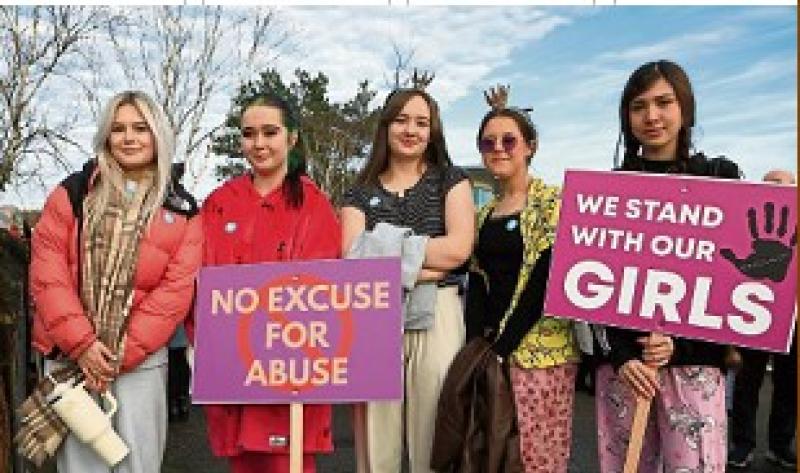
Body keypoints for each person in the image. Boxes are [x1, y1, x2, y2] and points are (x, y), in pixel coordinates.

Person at [20, 90, 203, 472]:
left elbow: (175, 292)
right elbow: (48, 273)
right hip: (71, 355)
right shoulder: (72, 193)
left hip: (139, 362)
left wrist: (116, 354)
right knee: (82, 464)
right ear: (105, 135)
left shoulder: (182, 209)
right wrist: (84, 345)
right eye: (118, 128)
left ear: (158, 135)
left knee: (139, 461)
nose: (129, 137)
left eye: (141, 128)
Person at [595, 60, 741, 473]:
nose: (652, 116)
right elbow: (589, 289)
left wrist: (682, 343)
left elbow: (734, 285)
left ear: (686, 109)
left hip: (695, 366)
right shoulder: (608, 190)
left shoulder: (721, 178)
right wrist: (622, 356)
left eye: (664, 102)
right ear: (626, 116)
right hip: (626, 370)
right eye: (639, 106)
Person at [195, 93, 341, 473]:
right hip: (235, 371)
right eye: (248, 134)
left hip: (288, 372)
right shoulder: (218, 203)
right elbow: (201, 285)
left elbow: (322, 292)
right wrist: (207, 348)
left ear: (291, 137)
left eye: (269, 132)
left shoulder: (314, 205)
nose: (258, 144)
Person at [340, 84, 475, 473]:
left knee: (433, 429)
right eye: (401, 120)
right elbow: (353, 257)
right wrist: (425, 263)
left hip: (439, 311)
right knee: (376, 432)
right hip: (373, 314)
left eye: (421, 122)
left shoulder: (451, 180)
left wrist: (382, 250)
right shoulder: (361, 191)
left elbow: (458, 250)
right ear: (385, 126)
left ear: (433, 131)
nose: (411, 130)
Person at [464, 85, 580, 473]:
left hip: (542, 355)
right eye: (488, 142)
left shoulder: (553, 200)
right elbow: (479, 280)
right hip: (494, 353)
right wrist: (479, 345)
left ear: (529, 146)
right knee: (496, 454)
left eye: (509, 140)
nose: (498, 148)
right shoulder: (483, 214)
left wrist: (506, 344)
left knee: (538, 458)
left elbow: (548, 276)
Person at [727, 169, 797, 469]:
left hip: (794, 323)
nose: (781, 188)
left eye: (789, 183)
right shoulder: (745, 223)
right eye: (773, 183)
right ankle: (742, 445)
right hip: (752, 317)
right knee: (747, 384)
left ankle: (780, 446)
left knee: (790, 386)